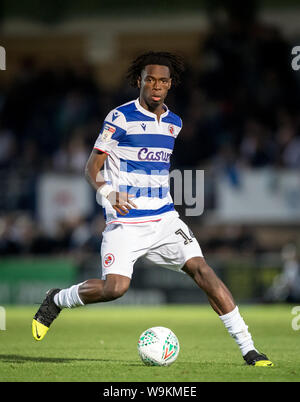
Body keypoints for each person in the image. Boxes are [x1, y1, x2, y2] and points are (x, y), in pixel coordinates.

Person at [32, 51, 273, 367]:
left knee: (204, 271)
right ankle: (57, 299)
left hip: (164, 219)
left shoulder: (175, 123)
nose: (156, 86)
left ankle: (249, 349)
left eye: (162, 80)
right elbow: (91, 167)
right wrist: (108, 192)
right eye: (150, 80)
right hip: (126, 221)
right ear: (139, 81)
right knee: (115, 288)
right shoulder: (119, 118)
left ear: (170, 84)